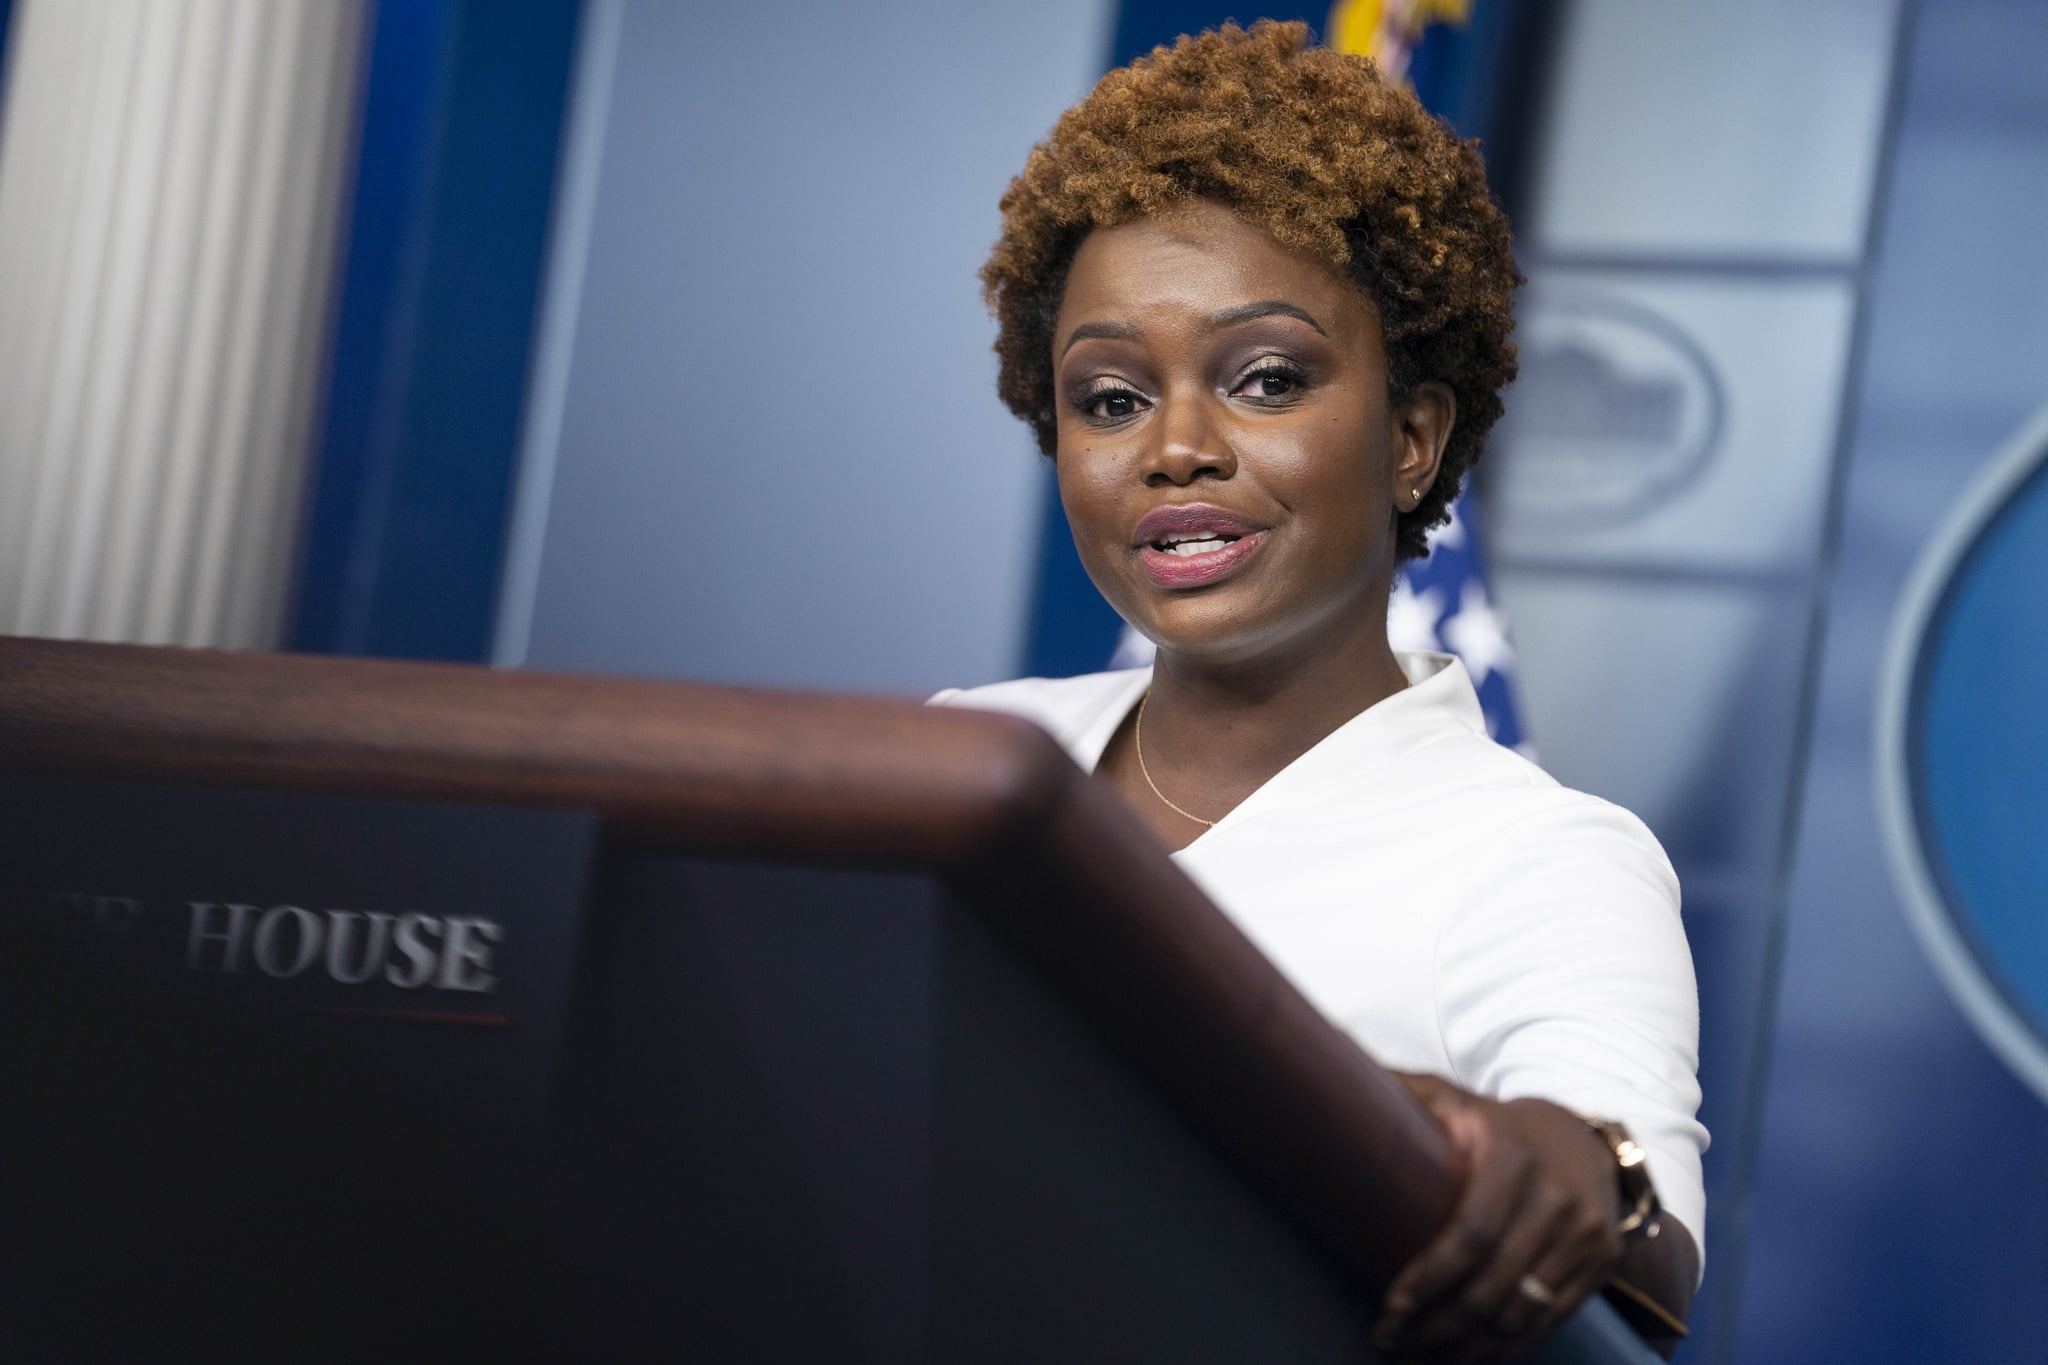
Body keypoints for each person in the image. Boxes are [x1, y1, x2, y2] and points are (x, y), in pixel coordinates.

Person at [931, 21, 1705, 1363]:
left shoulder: (1543, 860)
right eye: (1110, 397)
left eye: (1266, 379)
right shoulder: (967, 754)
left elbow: (1631, 1203)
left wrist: (1573, 1174)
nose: (1175, 446)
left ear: (1413, 437)